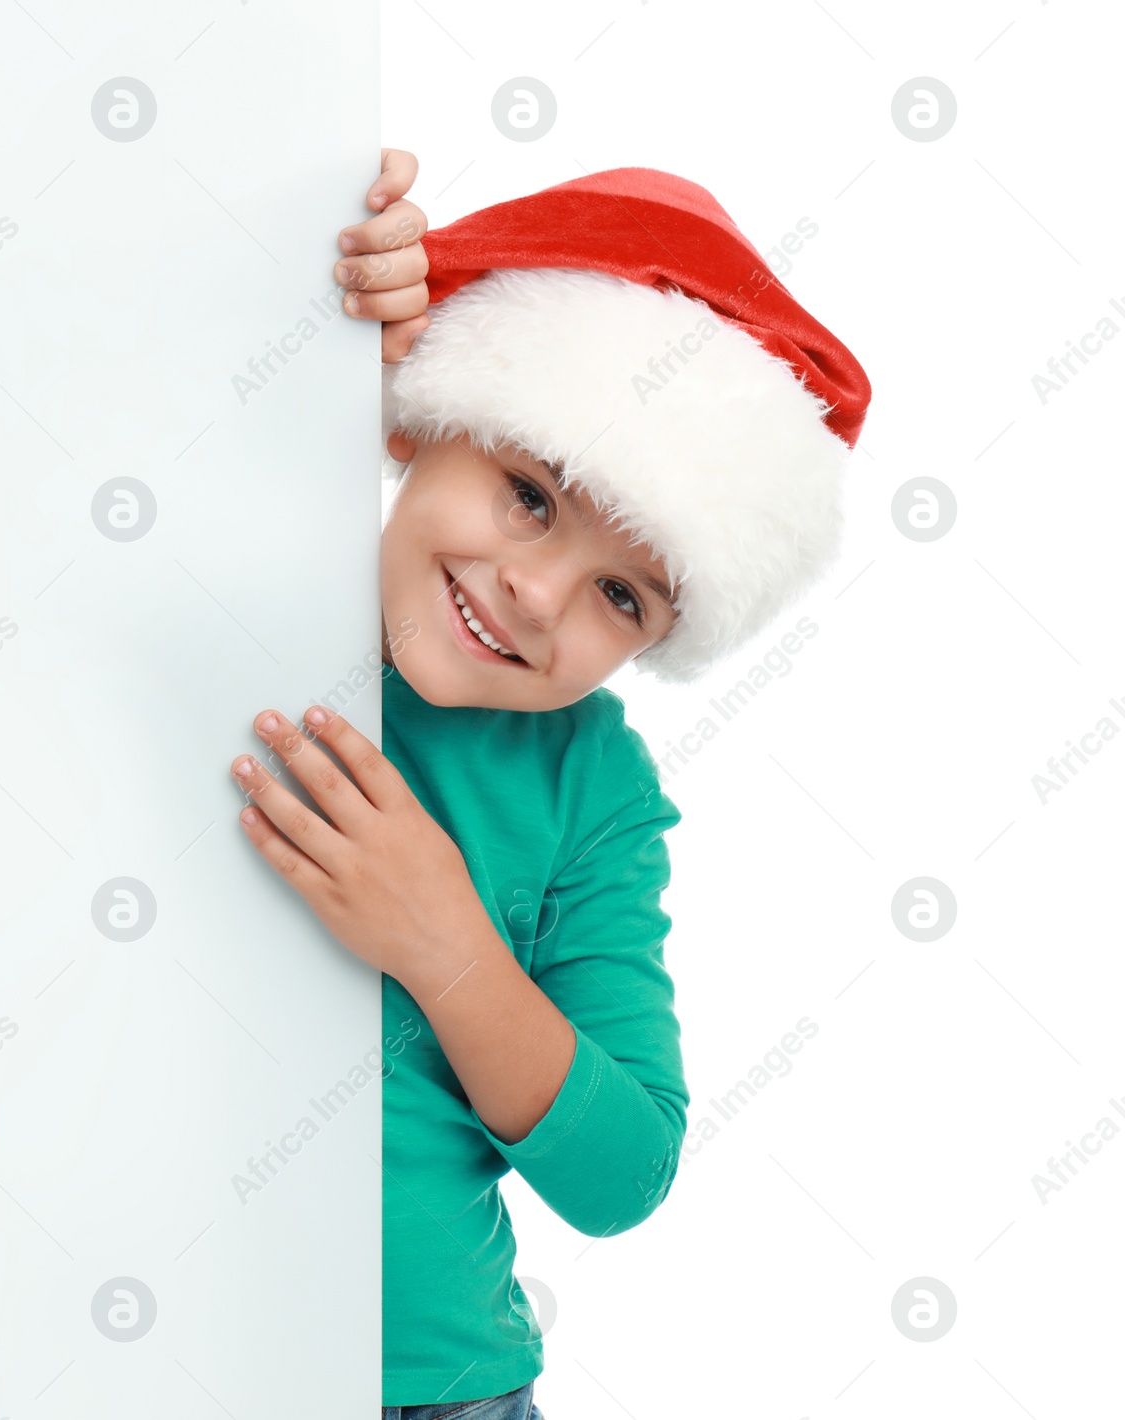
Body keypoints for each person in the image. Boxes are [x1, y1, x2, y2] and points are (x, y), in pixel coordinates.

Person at [228, 151, 872, 1418]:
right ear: (420, 420)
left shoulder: (594, 786)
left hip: (437, 1391)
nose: (536, 593)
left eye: (621, 595)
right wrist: (311, 335)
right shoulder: (243, 596)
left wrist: (443, 939)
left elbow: (625, 1167)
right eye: (528, 496)